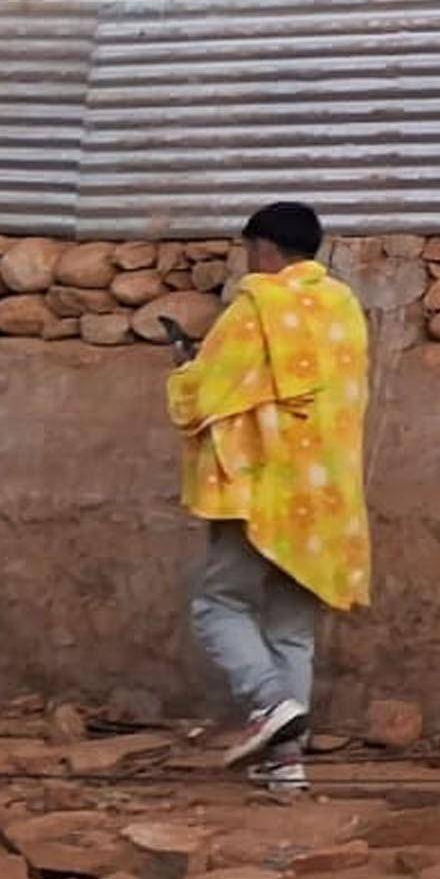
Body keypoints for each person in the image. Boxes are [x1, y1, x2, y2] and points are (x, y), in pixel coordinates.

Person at [159, 199, 370, 793]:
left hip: (262, 491)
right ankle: (287, 766)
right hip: (326, 497)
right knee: (291, 630)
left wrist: (183, 371)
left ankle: (269, 701)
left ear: (264, 249)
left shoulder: (258, 305)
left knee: (217, 604)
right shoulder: (344, 307)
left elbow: (207, 393)